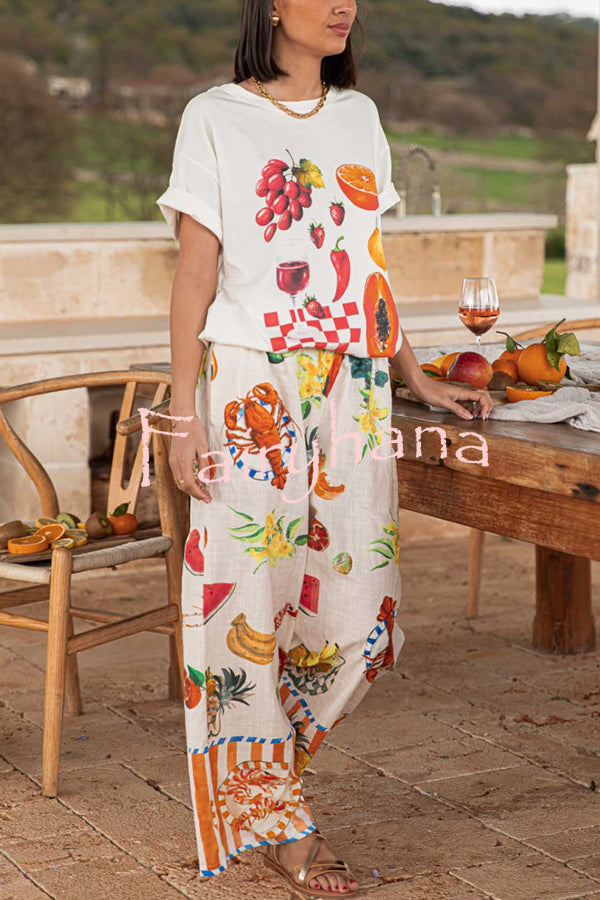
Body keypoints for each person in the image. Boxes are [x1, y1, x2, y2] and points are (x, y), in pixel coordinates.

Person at [155, 1, 494, 895]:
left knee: (363, 616)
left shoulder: (359, 117)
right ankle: (277, 818)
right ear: (271, 4)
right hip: (249, 383)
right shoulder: (213, 115)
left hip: (357, 381)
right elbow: (196, 269)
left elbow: (369, 264)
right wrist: (184, 410)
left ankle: (256, 786)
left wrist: (416, 377)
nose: (343, 4)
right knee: (244, 598)